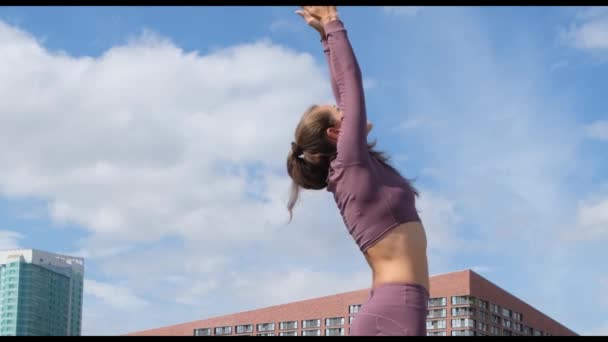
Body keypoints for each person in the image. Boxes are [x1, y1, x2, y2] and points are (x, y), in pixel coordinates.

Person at [287, 6, 430, 336]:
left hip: (396, 309)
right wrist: (334, 25)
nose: (344, 110)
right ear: (336, 135)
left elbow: (342, 91)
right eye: (338, 113)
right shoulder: (348, 167)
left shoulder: (356, 169)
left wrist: (324, 35)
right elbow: (351, 90)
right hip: (397, 311)